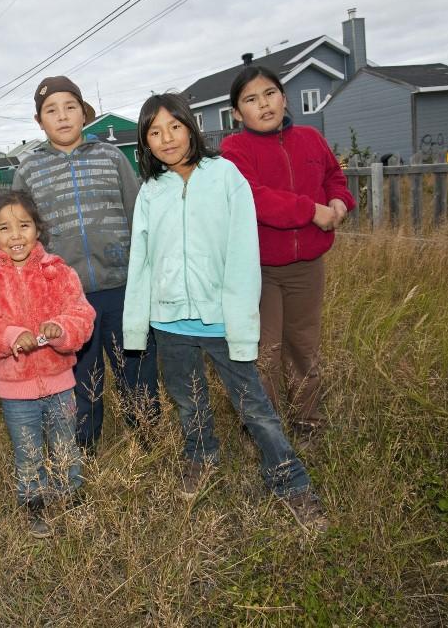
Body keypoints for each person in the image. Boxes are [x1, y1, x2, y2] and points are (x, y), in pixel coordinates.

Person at [123, 92, 328, 531]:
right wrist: (136, 329)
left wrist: (240, 324)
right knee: (187, 401)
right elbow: (139, 263)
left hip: (220, 319)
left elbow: (241, 254)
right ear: (145, 142)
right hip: (169, 322)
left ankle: (291, 483)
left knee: (253, 405)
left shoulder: (225, 177)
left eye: (174, 127)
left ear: (190, 127)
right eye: (154, 132)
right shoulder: (150, 192)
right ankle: (202, 457)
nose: (167, 138)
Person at [12, 75, 160, 454]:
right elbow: (21, 237)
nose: (62, 117)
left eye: (70, 107)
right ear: (39, 121)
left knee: (136, 367)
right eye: (51, 111)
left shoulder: (111, 158)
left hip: (121, 287)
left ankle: (148, 438)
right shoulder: (27, 172)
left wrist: (147, 274)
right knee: (80, 376)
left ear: (84, 114)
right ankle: (85, 447)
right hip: (65, 301)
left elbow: (137, 216)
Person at [221, 65, 356, 445]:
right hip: (258, 269)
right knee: (265, 352)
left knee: (303, 346)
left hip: (307, 268)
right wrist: (311, 210)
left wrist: (338, 202)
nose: (263, 104)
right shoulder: (235, 150)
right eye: (250, 99)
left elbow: (335, 178)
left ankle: (307, 423)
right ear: (236, 113)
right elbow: (254, 197)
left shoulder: (312, 138)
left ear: (284, 97)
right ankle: (265, 430)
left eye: (270, 93)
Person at [0, 191, 95, 538]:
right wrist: (9, 336)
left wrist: (61, 328)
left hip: (60, 380)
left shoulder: (57, 271)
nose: (15, 236)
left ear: (38, 229)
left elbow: (81, 313)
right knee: (28, 451)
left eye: (24, 225)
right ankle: (33, 503)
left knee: (66, 445)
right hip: (15, 390)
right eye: (4, 228)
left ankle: (72, 496)